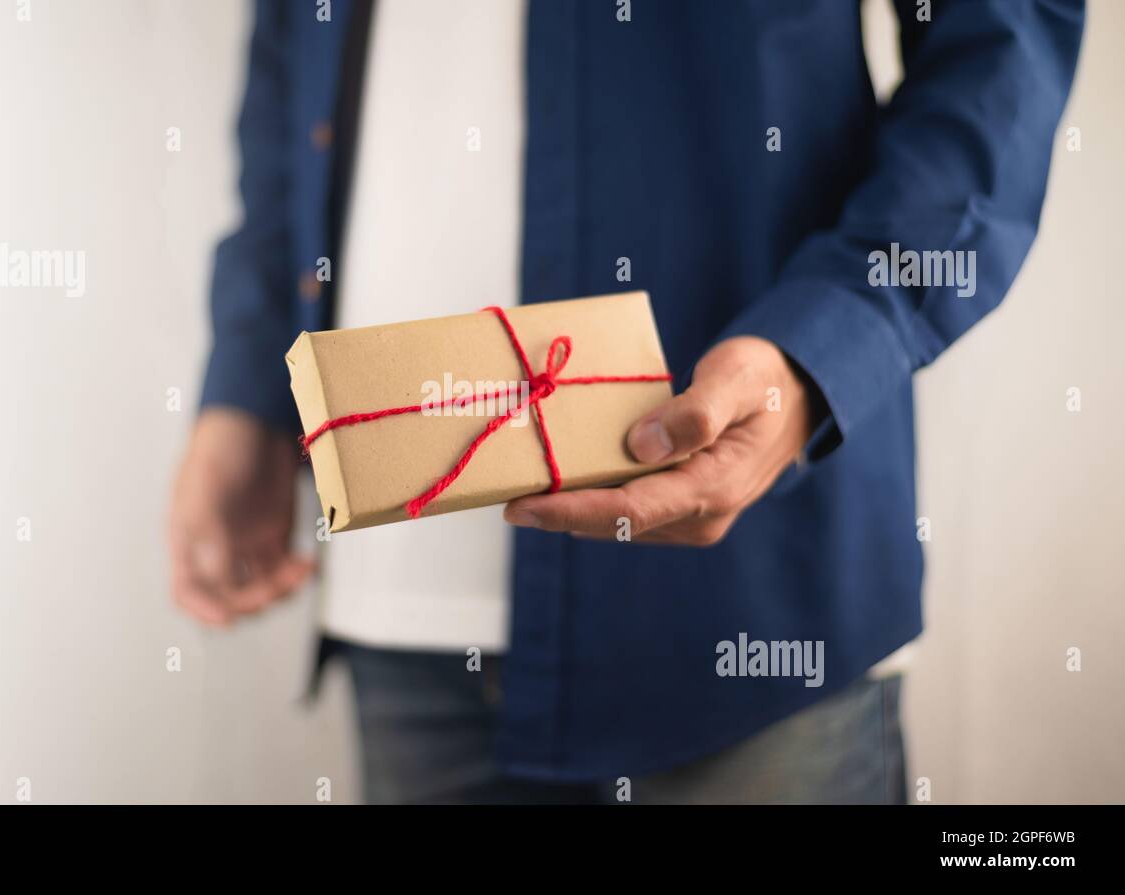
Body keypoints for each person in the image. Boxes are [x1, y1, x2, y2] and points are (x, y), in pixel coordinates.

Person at [169, 0, 1083, 804]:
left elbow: (1000, 44)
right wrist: (250, 389)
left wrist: (822, 353)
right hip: (403, 584)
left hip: (753, 613)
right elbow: (289, 66)